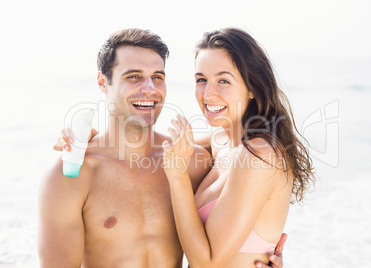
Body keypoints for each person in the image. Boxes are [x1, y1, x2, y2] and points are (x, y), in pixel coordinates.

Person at [42, 28, 285, 267]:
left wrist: (264, 253)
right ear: (103, 82)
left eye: (157, 77)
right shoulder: (73, 173)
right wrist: (84, 137)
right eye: (134, 76)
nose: (149, 88)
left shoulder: (191, 163)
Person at [161, 28, 314, 267]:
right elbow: (157, 146)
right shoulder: (222, 142)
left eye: (223, 80)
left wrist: (178, 177)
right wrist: (93, 137)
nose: (208, 94)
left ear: (253, 87)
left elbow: (207, 262)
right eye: (201, 79)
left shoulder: (258, 154)